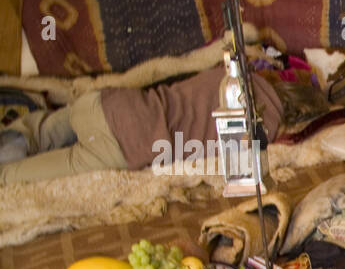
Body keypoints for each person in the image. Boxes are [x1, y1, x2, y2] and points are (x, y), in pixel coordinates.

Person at [0, 64, 283, 187]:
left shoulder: (235, 70)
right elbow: (239, 173)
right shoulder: (265, 123)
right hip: (122, 146)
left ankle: (15, 140)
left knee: (39, 131)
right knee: (14, 179)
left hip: (103, 103)